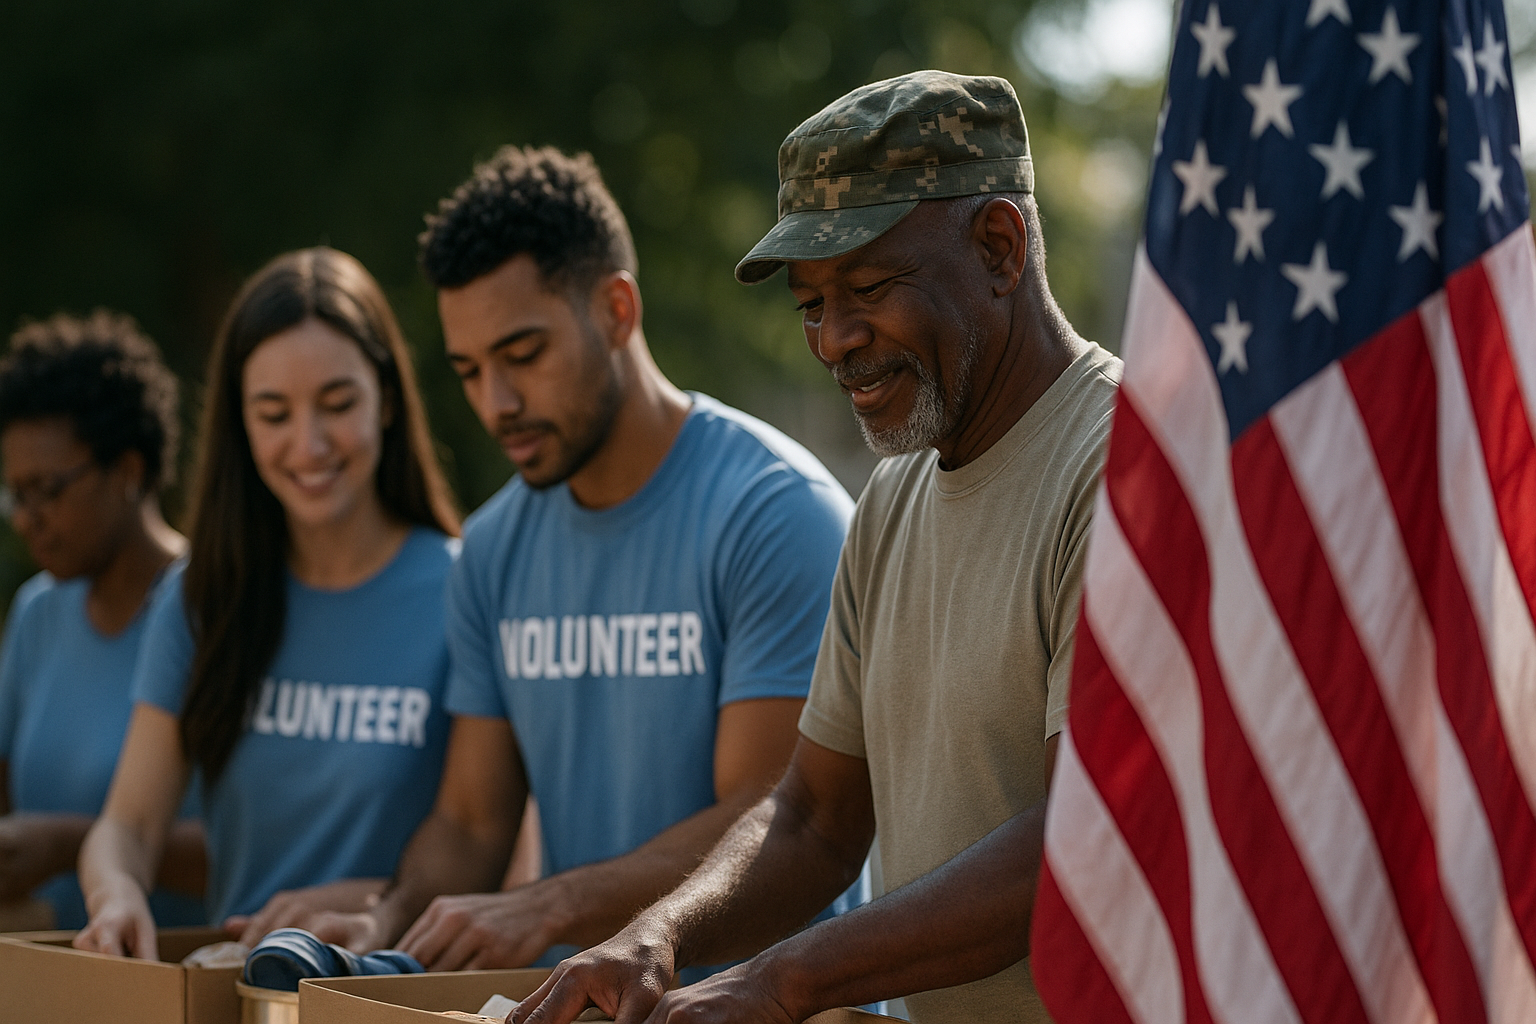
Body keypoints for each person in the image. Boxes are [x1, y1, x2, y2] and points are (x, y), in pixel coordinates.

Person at [513, 71, 1121, 1024]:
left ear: (999, 247)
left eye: (869, 289)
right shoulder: (893, 498)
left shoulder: (1125, 473)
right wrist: (660, 935)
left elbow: (1082, 841)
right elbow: (814, 819)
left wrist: (781, 979)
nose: (835, 340)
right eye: (810, 304)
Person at [307, 146, 858, 979]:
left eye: (522, 355)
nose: (497, 402)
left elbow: (775, 816)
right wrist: (386, 917)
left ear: (615, 310)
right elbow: (470, 821)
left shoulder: (777, 513)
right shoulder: (492, 548)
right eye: (468, 370)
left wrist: (550, 905)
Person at [74, 247, 461, 960]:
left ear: (387, 396)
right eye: (273, 413)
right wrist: (117, 893)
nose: (308, 445)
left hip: (394, 1000)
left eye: (338, 404)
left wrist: (379, 901)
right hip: (235, 996)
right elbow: (127, 825)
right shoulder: (202, 597)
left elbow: (506, 859)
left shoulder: (465, 591)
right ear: (239, 424)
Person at [0, 311, 206, 930]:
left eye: (49, 490)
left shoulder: (214, 607)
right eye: (16, 495)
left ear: (129, 471)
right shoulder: (38, 613)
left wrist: (69, 845)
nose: (26, 518)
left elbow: (255, 849)